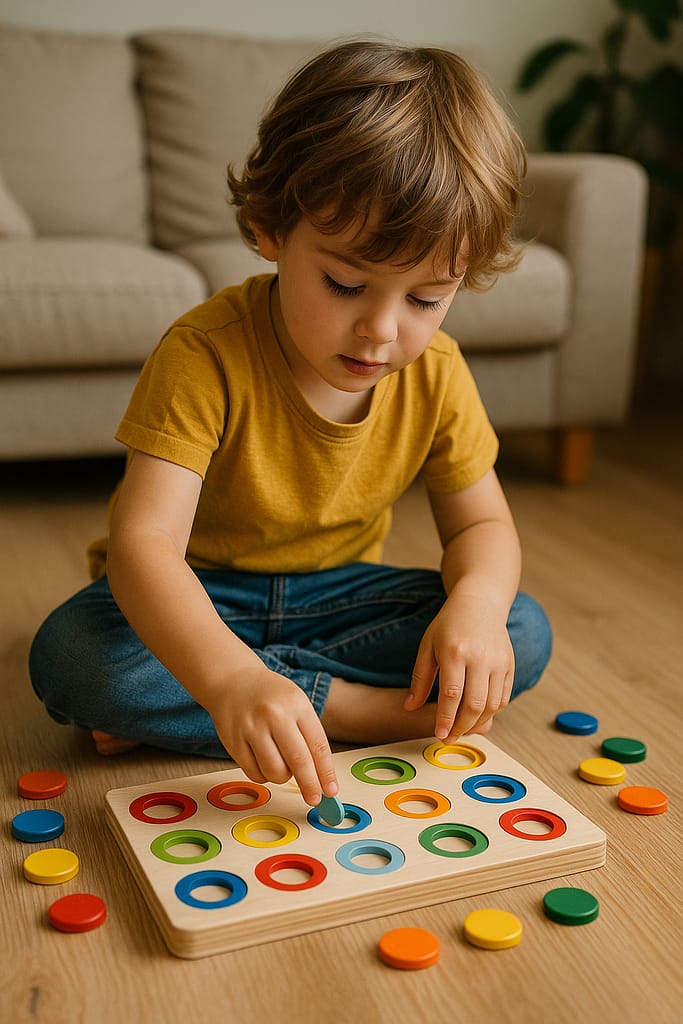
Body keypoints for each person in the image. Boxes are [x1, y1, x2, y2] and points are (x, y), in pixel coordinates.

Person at [29, 40, 552, 807]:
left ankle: (235, 708)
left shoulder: (437, 374)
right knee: (72, 659)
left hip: (335, 599)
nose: (381, 330)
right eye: (345, 282)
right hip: (200, 591)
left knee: (521, 629)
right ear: (270, 230)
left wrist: (473, 611)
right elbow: (145, 548)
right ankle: (348, 712)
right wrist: (228, 675)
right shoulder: (204, 353)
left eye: (425, 298)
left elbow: (483, 531)